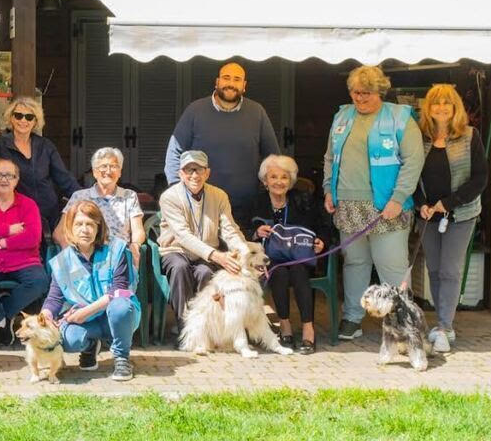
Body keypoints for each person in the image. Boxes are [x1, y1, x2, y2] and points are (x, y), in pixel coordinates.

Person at [323, 64, 423, 341]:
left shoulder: (399, 117)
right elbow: (330, 157)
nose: (360, 98)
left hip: (387, 206)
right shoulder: (342, 115)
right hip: (349, 205)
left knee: (390, 265)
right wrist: (328, 190)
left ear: (380, 91)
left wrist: (398, 198)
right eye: (355, 92)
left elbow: (414, 162)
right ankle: (352, 318)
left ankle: (400, 321)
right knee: (355, 263)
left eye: (366, 93)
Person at [414, 84, 487, 354]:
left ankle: (444, 327)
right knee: (434, 269)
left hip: (461, 214)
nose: (441, 108)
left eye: (447, 103)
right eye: (436, 103)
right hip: (428, 216)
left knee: (450, 270)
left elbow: (480, 178)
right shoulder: (419, 138)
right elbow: (411, 176)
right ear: (428, 108)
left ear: (455, 107)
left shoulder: (470, 136)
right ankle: (442, 323)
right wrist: (420, 204)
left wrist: (449, 203)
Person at [241, 154, 334, 355]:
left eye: (284, 177)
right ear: (265, 181)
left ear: (290, 181)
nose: (279, 182)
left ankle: (308, 328)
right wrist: (255, 233)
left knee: (299, 270)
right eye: (273, 177)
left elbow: (325, 225)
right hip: (270, 259)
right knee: (279, 272)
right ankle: (285, 325)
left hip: (300, 256)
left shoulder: (304, 200)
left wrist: (321, 241)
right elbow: (239, 230)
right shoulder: (255, 203)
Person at [163, 62, 280, 220]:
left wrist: (271, 191)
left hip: (245, 208)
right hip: (200, 205)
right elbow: (174, 153)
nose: (231, 83)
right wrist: (178, 191)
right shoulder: (195, 111)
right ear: (217, 82)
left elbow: (273, 159)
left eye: (237, 79)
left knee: (240, 244)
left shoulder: (257, 112)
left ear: (244, 86)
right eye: (226, 78)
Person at [43, 201, 138, 381]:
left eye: (90, 224)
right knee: (70, 340)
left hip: (118, 317)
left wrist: (85, 312)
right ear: (70, 228)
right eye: (79, 224)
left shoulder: (117, 250)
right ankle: (89, 346)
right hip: (88, 322)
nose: (84, 230)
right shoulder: (62, 262)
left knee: (120, 306)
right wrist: (45, 316)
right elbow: (54, 298)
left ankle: (121, 358)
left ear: (98, 227)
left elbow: (121, 291)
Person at [157, 150, 247, 337]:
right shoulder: (169, 196)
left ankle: (206, 326)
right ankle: (186, 330)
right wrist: (218, 256)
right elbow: (182, 235)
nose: (194, 175)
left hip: (205, 254)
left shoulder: (219, 195)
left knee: (205, 272)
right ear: (181, 173)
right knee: (180, 268)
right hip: (176, 250)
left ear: (207, 173)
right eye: (189, 170)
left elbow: (230, 228)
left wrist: (243, 251)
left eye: (199, 170)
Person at [0, 157, 50, 340]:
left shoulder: (28, 205)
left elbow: (32, 237)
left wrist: (0, 242)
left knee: (39, 281)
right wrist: (9, 230)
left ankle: (1, 313)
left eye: (9, 175)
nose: (4, 180)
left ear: (17, 179)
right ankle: (3, 323)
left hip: (23, 261)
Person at [0, 96, 80, 239]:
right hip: (16, 214)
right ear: (11, 118)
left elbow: (64, 178)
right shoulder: (1, 146)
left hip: (48, 213)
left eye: (29, 117)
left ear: (35, 121)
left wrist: (86, 197)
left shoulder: (45, 146)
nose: (23, 120)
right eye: (18, 115)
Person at [64, 147, 146, 267]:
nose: (108, 171)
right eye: (103, 166)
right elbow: (60, 232)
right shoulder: (80, 196)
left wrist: (136, 244)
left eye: (114, 166)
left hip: (118, 255)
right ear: (94, 172)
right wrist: (73, 256)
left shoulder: (129, 196)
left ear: (120, 172)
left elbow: (138, 230)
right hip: (86, 254)